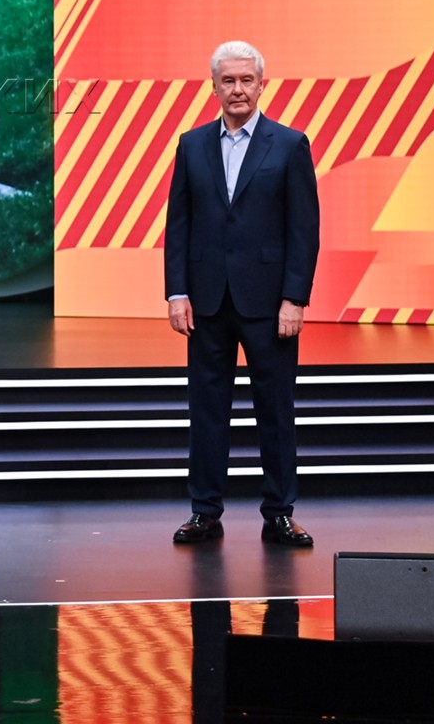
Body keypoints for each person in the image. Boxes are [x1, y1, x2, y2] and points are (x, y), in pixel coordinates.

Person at [165, 40, 320, 548]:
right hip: (206, 302)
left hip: (269, 304)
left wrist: (295, 299)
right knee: (206, 411)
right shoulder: (191, 145)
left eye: (246, 80)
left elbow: (304, 230)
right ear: (214, 86)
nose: (237, 89)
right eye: (228, 80)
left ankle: (279, 513)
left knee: (275, 411)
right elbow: (179, 225)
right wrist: (177, 292)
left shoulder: (290, 144)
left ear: (261, 85)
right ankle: (205, 512)